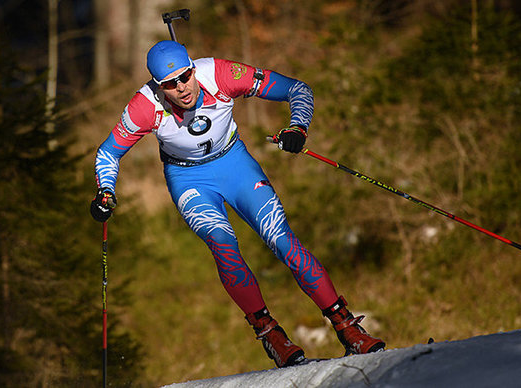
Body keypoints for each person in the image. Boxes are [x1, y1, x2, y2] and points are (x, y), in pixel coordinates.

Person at [89, 40, 385, 367]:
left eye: (185, 77)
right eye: (169, 85)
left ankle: (346, 327)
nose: (181, 89)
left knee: (282, 239)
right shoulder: (143, 107)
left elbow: (298, 89)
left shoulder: (222, 74)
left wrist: (298, 126)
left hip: (235, 165)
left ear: (192, 68)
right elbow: (108, 153)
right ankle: (271, 335)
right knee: (224, 246)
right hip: (189, 180)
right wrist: (105, 192)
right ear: (159, 88)